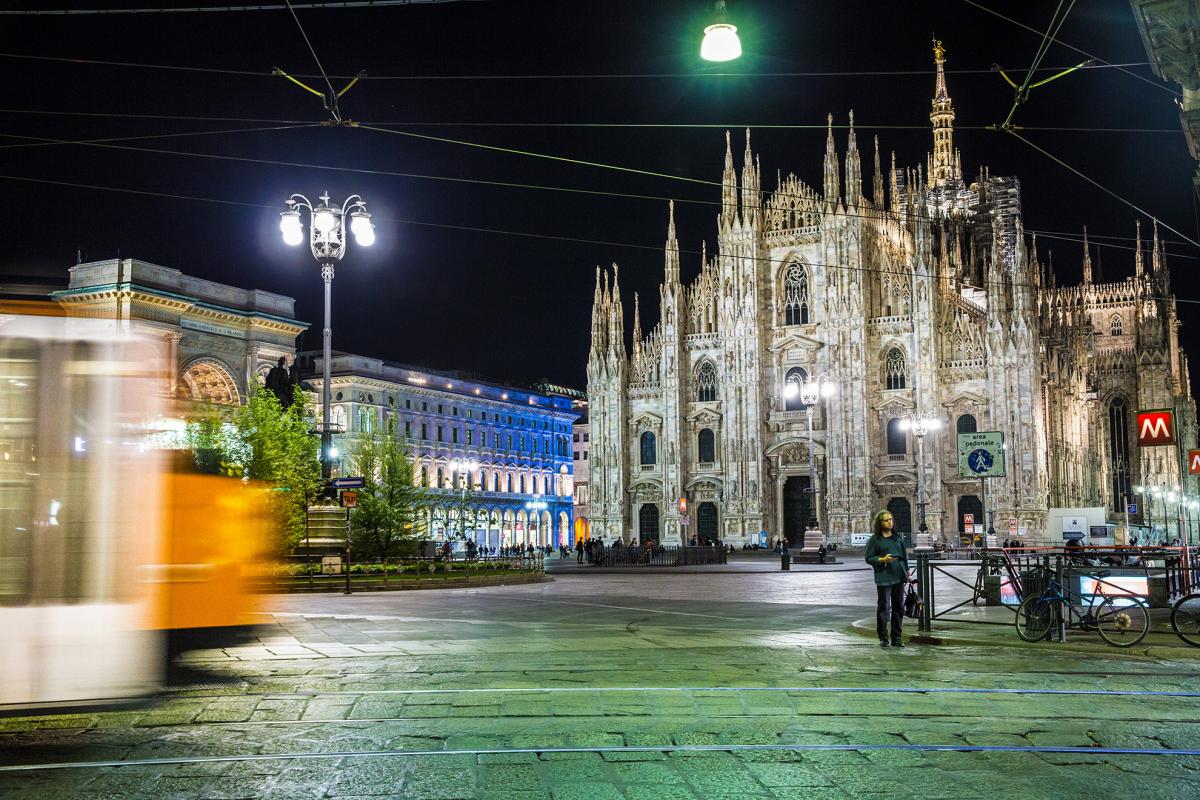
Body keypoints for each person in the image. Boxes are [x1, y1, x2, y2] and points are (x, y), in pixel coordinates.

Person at [865, 510, 909, 648]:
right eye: (886, 520)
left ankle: (897, 638)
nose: (890, 522)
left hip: (898, 576)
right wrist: (882, 559)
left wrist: (908, 573)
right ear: (880, 523)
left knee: (899, 608)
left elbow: (904, 558)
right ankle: (883, 637)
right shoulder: (875, 540)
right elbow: (869, 558)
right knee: (884, 607)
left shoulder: (897, 539)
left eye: (891, 520)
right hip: (884, 577)